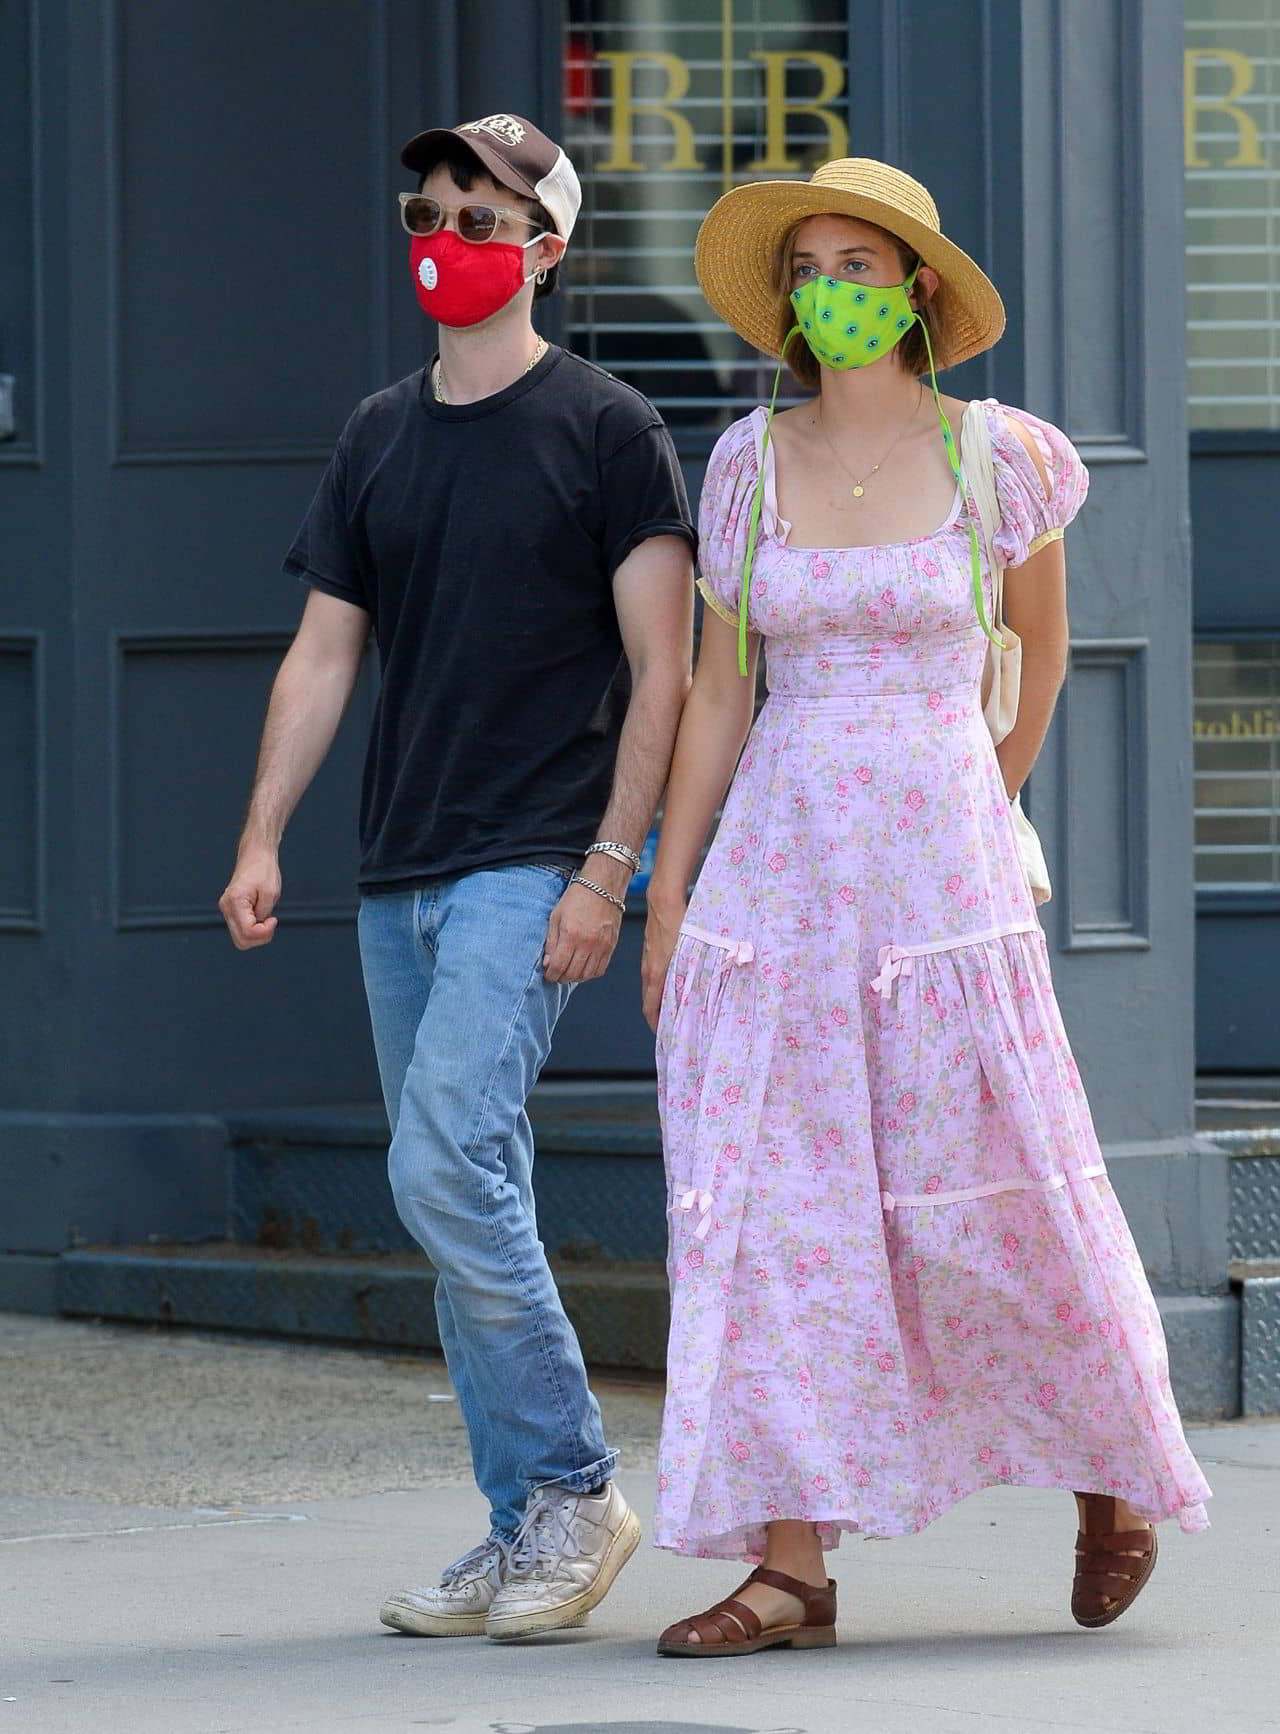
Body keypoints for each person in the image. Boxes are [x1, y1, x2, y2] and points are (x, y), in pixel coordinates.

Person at [640, 158, 1211, 1658]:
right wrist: (669, 892)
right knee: (778, 1211)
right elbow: (717, 691)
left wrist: (966, 805)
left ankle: (1111, 1476)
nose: (832, 287)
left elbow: (1039, 657)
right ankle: (791, 1566)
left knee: (1007, 1183)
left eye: (860, 262)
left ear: (917, 291)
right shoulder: (745, 465)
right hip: (778, 869)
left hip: (944, 885)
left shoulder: (1001, 456)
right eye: (810, 266)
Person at [218, 112, 696, 1642]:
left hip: (532, 857)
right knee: (462, 1192)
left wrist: (607, 871)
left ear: (548, 251)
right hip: (400, 867)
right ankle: (518, 1530)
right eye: (427, 209)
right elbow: (324, 649)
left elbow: (666, 671)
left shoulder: (610, 428)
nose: (447, 235)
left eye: (483, 219)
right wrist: (261, 834)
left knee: (439, 1166)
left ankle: (570, 1485)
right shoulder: (377, 433)